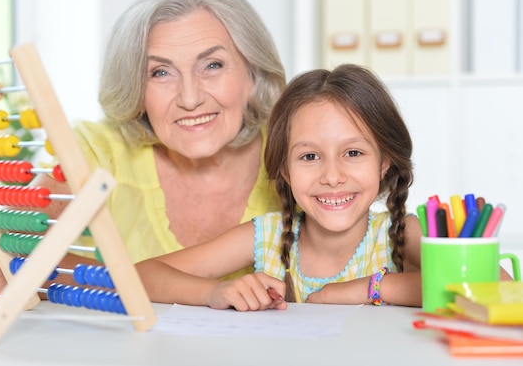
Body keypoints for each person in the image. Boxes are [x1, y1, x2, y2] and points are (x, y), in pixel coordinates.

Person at [0, 0, 286, 298]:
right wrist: (178, 289)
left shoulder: (297, 151)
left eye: (212, 65)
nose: (189, 97)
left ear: (253, 73)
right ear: (136, 89)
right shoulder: (101, 154)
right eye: (160, 72)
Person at [135, 64, 425, 311]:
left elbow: (464, 286)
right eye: (309, 156)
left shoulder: (400, 234)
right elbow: (139, 276)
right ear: (286, 170)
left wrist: (372, 288)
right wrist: (213, 292)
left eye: (353, 153)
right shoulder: (267, 236)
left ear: (384, 163)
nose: (332, 176)